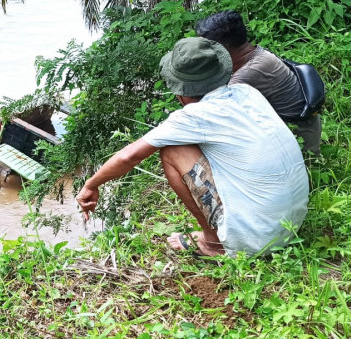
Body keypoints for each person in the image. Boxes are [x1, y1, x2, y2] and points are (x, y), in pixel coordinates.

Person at [76, 37, 309, 258]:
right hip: (291, 226)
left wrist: (91, 184)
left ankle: (213, 242)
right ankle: (227, 231)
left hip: (256, 240)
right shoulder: (247, 92)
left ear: (179, 91)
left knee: (172, 151)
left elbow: (129, 156)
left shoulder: (195, 116)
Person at [196, 10, 321, 154]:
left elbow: (214, 120)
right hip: (299, 134)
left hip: (300, 148)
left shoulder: (248, 74)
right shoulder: (258, 54)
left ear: (221, 49)